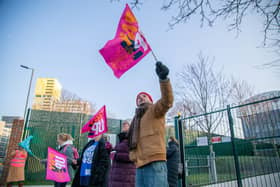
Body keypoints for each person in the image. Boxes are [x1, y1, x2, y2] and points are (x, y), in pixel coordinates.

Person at [128, 61, 174, 187]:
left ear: (150, 100)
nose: (141, 98)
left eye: (144, 96)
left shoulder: (154, 110)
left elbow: (167, 101)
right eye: (138, 97)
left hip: (155, 162)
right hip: (139, 165)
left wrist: (163, 79)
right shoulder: (135, 119)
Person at [109, 121, 136, 187]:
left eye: (126, 124)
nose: (124, 125)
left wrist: (116, 155)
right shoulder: (120, 141)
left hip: (126, 178)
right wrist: (110, 150)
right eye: (123, 125)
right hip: (116, 177)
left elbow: (133, 156)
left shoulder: (133, 141)